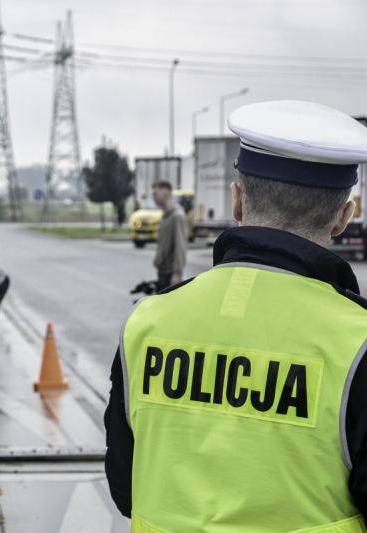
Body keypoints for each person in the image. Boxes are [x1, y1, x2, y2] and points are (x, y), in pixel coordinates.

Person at [104, 101, 367, 532]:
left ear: (237, 200)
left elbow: (124, 486)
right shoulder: (358, 341)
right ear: (343, 216)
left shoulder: (147, 323)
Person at [151, 180, 187, 291]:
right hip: (162, 272)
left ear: (166, 193)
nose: (153, 197)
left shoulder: (177, 216)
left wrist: (177, 273)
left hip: (170, 274)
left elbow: (180, 247)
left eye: (155, 194)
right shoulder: (165, 216)